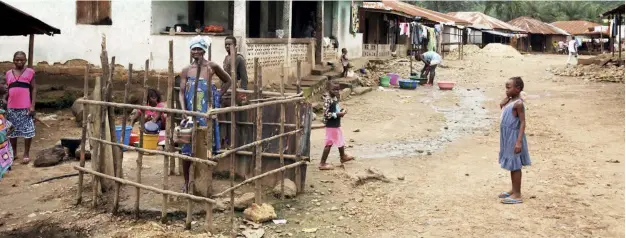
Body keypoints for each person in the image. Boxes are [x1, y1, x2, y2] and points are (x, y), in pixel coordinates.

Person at [179, 36, 232, 193]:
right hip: (190, 113)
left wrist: (217, 96)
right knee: (186, 148)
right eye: (194, 49)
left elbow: (228, 80)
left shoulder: (212, 67)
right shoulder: (186, 70)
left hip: (207, 114)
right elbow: (181, 93)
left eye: (199, 49)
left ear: (204, 50)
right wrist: (183, 110)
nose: (196, 52)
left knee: (207, 147)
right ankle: (187, 181)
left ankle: (206, 181)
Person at [497, 77, 531, 204]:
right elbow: (502, 107)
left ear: (517, 89)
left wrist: (518, 142)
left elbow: (522, 123)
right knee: (512, 163)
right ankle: (513, 189)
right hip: (506, 135)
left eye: (508, 87)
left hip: (514, 135)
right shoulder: (511, 101)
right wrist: (505, 100)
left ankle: (517, 194)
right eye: (506, 87)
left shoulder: (519, 104)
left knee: (515, 165)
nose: (506, 90)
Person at [5, 51, 36, 164]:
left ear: (25, 60)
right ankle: (14, 153)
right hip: (11, 107)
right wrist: (5, 100)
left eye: (22, 60)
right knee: (13, 131)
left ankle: (26, 153)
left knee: (28, 130)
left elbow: (34, 89)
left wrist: (32, 105)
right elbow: (8, 89)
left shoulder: (30, 72)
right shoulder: (8, 73)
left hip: (26, 107)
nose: (19, 61)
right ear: (13, 60)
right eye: (17, 59)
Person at [319, 82, 354, 170]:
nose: (336, 91)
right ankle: (322, 163)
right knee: (329, 143)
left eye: (337, 90)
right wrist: (338, 114)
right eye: (333, 90)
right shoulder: (327, 99)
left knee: (340, 140)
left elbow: (336, 109)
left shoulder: (334, 98)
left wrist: (342, 111)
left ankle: (343, 156)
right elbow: (326, 114)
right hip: (331, 125)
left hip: (335, 124)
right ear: (329, 90)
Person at [0, 110, 14, 181]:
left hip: (3, 144)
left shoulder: (3, 120)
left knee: (6, 156)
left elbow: (12, 127)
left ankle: (7, 166)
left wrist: (7, 134)